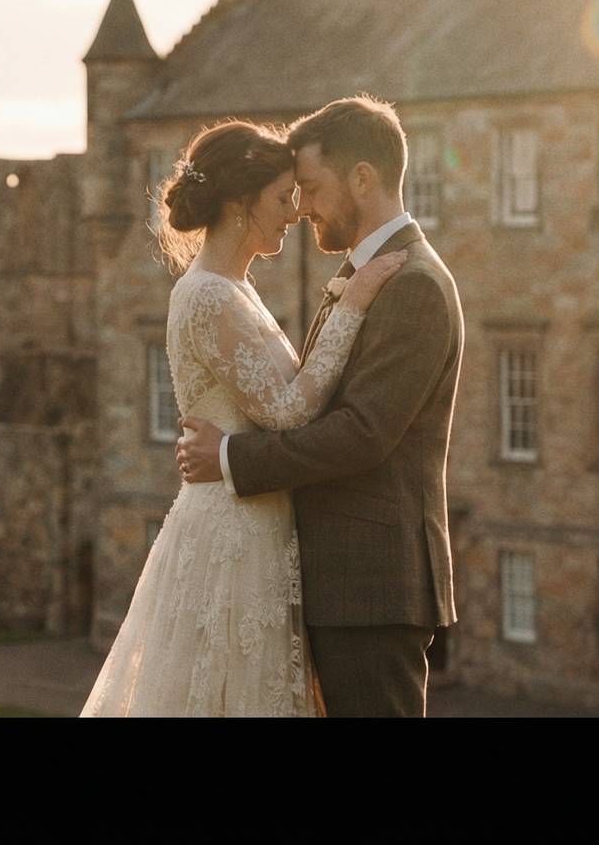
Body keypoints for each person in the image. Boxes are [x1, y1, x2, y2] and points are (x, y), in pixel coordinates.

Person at [80, 118, 405, 716]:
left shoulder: (234, 287)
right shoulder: (208, 294)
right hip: (233, 528)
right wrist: (353, 308)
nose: (296, 212)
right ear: (240, 201)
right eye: (284, 198)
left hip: (254, 515)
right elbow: (288, 410)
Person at [173, 95, 463, 717]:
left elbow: (362, 434)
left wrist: (229, 457)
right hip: (340, 583)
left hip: (373, 587)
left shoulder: (411, 283)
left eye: (310, 186)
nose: (301, 207)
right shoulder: (372, 273)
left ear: (363, 178)